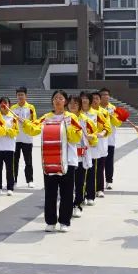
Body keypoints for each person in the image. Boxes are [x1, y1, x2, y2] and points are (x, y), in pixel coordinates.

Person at [22, 90, 82, 232]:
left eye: (60, 98)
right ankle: (50, 221)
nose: (57, 100)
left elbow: (77, 137)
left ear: (65, 101)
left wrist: (67, 127)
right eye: (55, 98)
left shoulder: (71, 117)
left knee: (67, 193)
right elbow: (34, 129)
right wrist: (25, 123)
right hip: (49, 160)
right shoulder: (46, 117)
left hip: (68, 160)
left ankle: (64, 222)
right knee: (50, 192)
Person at [12, 87, 37, 189]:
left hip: (27, 138)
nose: (20, 96)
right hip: (16, 139)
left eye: (22, 94)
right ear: (16, 96)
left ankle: (30, 180)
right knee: (15, 161)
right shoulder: (13, 108)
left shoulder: (30, 108)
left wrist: (24, 122)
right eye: (18, 95)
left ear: (26, 96)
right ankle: (14, 180)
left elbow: (34, 122)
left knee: (28, 161)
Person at [98, 88, 123, 191]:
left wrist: (111, 116)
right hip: (99, 140)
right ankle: (98, 182)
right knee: (99, 162)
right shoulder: (96, 108)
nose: (105, 96)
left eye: (107, 94)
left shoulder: (113, 108)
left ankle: (109, 181)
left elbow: (119, 123)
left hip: (110, 140)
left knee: (109, 161)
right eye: (103, 95)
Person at [0, 98, 19, 196]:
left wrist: (6, 131)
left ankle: (10, 187)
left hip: (9, 147)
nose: (4, 105)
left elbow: (15, 132)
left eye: (5, 103)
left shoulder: (13, 117)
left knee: (9, 169)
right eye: (2, 103)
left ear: (9, 105)